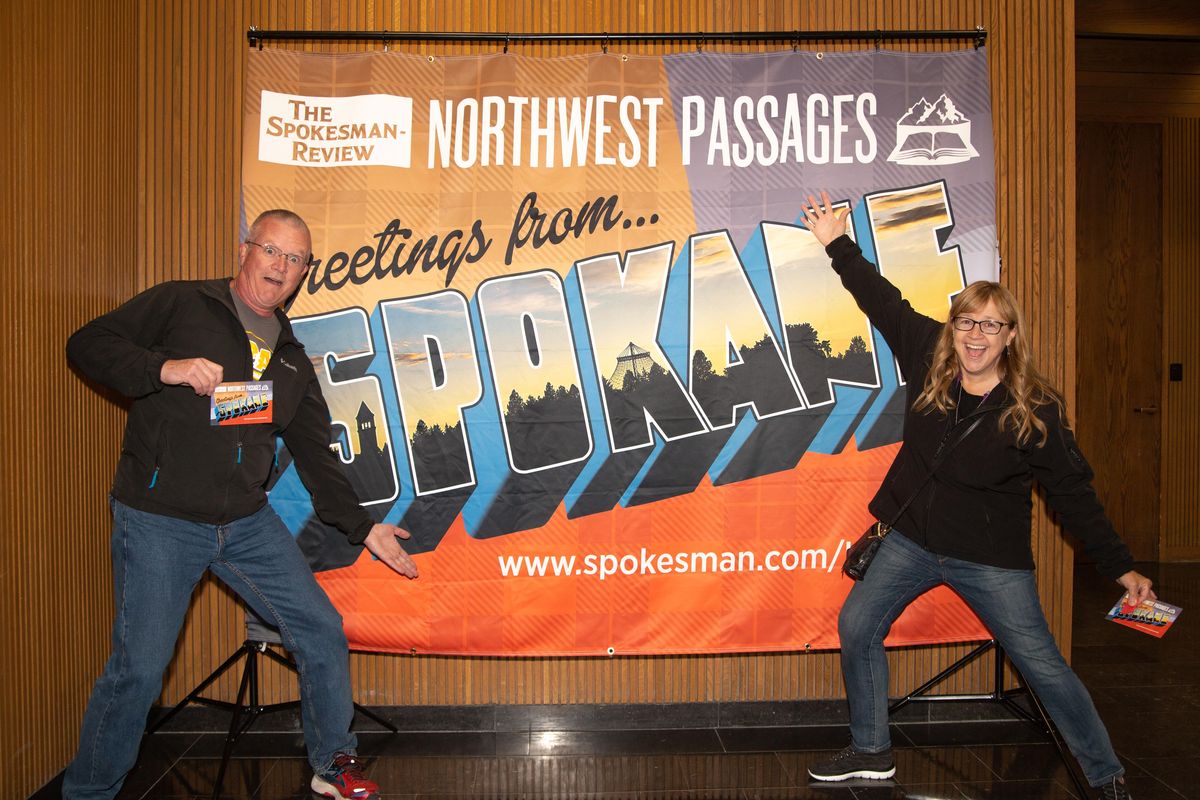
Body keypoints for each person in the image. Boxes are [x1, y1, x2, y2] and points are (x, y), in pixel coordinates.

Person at [799, 192, 1152, 800]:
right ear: (954, 327)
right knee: (858, 624)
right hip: (910, 541)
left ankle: (1105, 774)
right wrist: (836, 242)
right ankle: (871, 750)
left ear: (1009, 336)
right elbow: (882, 301)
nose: (975, 336)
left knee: (1041, 665)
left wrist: (1119, 568)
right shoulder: (930, 354)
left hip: (989, 557)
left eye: (990, 324)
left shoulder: (1034, 409)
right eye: (966, 321)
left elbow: (1073, 493)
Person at [63, 209, 418, 800]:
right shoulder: (182, 304)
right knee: (140, 672)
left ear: (305, 273)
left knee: (320, 627)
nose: (280, 267)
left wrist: (364, 527)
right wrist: (163, 368)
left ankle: (332, 767)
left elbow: (313, 451)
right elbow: (87, 344)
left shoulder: (291, 358)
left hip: (245, 523)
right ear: (244, 251)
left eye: (294, 259)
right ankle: (89, 792)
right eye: (271, 251)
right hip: (161, 521)